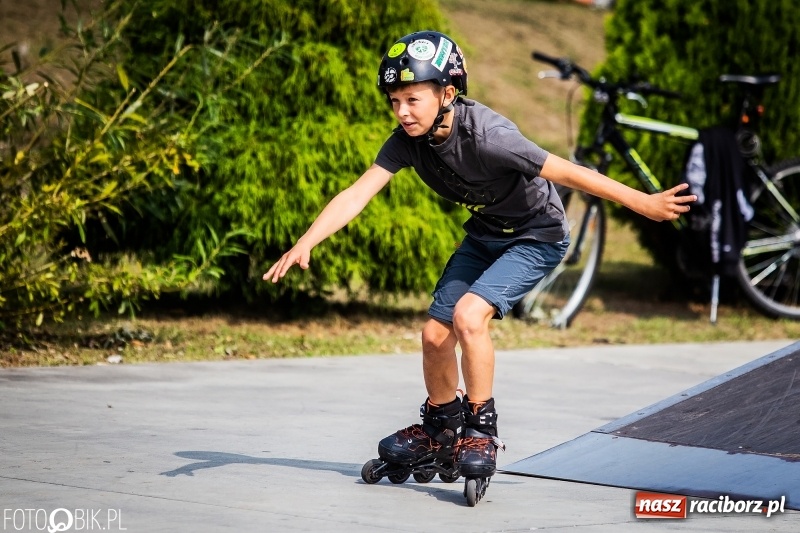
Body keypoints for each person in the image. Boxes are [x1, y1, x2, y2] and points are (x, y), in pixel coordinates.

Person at [264, 31, 695, 485]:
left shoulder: (490, 136)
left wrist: (642, 203)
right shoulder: (407, 141)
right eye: (394, 101)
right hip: (486, 235)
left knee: (470, 317)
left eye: (412, 99)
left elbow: (570, 172)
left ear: (448, 93)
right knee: (434, 335)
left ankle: (480, 430)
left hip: (537, 237)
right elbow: (359, 191)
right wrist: (307, 240)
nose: (402, 112)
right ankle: (441, 426)